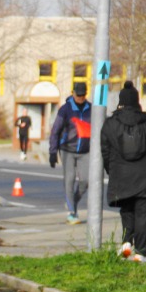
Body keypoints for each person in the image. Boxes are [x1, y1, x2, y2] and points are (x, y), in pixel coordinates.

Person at [101, 81, 146, 262]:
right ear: (137, 101)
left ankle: (126, 242)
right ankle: (140, 252)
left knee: (127, 209)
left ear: (121, 101)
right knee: (144, 214)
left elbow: (105, 152)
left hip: (121, 175)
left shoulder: (110, 124)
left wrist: (112, 170)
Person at [49, 82, 92, 224]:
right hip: (67, 149)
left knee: (85, 180)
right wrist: (53, 152)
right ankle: (72, 213)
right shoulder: (65, 109)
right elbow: (55, 131)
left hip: (85, 151)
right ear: (73, 93)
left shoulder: (91, 109)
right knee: (70, 179)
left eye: (83, 95)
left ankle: (72, 201)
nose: (80, 97)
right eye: (78, 95)